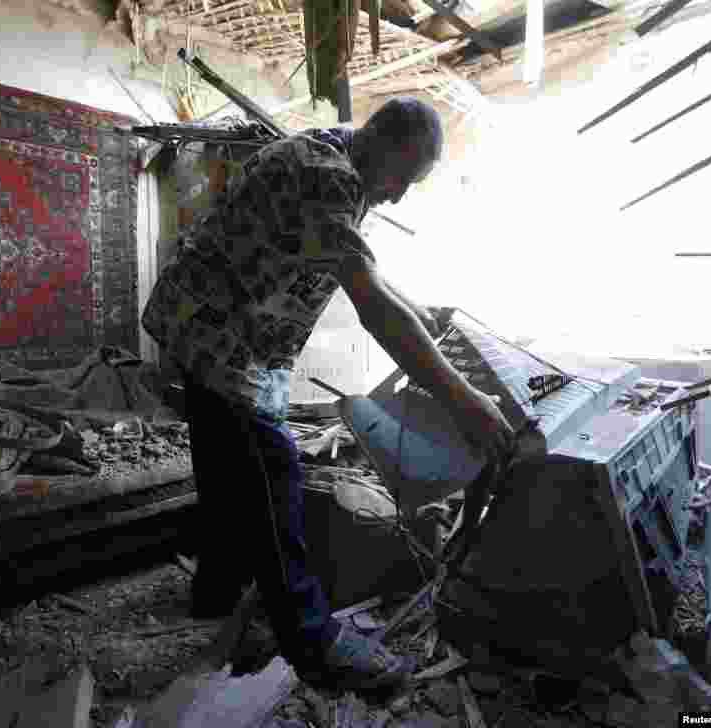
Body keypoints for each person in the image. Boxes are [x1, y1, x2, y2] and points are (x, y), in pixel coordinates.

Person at [141, 97, 515, 690]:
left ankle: (216, 592)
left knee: (224, 468)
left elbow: (353, 262)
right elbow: (371, 305)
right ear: (384, 146)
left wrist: (420, 310)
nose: (398, 196)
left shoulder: (346, 152)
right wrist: (465, 398)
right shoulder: (326, 174)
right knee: (274, 473)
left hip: (203, 318)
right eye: (404, 179)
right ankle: (314, 643)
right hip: (220, 333)